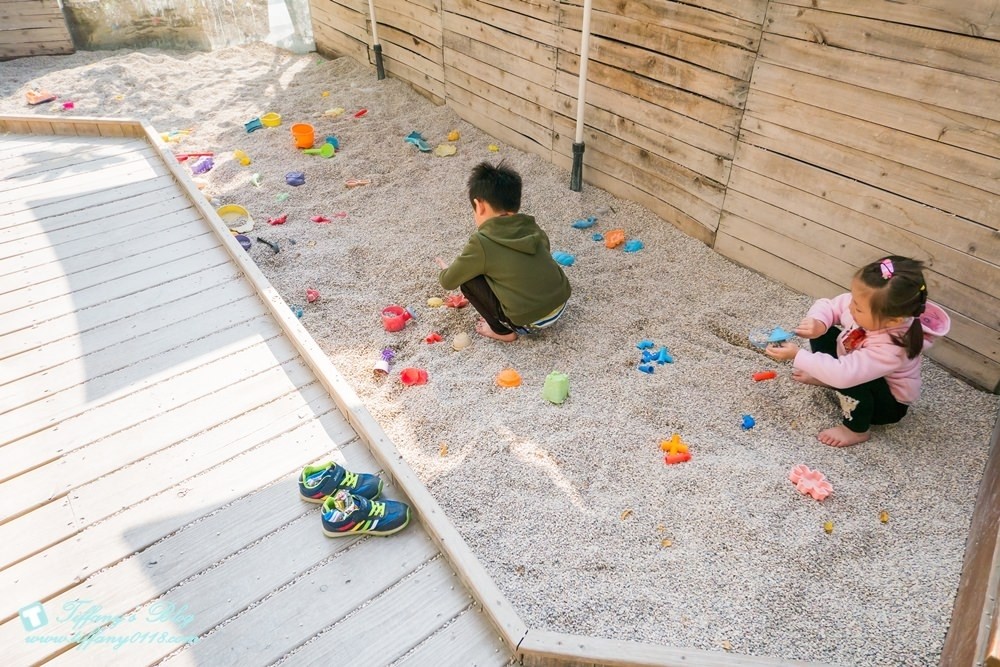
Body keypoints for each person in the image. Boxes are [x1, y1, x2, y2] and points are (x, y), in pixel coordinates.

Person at [765, 256, 950, 447]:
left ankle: (856, 430)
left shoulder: (894, 347)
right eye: (853, 299)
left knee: (849, 377)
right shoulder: (869, 306)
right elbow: (830, 305)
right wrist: (818, 322)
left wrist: (798, 356)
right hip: (853, 362)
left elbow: (846, 374)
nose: (851, 308)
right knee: (823, 332)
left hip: (885, 405)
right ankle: (826, 377)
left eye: (859, 308)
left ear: (893, 321)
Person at [434, 161, 571, 342]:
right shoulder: (531, 225)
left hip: (529, 322)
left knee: (468, 281)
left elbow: (448, 281)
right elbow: (543, 251)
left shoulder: (481, 242)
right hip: (561, 303)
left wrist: (447, 269)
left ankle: (503, 332)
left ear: (479, 205)